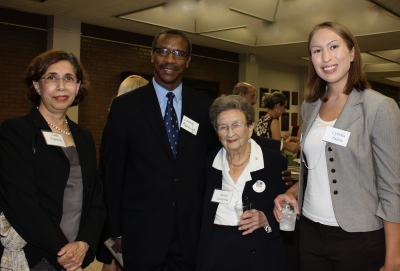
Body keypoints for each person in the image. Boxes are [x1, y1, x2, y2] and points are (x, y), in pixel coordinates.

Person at [105, 29, 291, 271]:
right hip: (143, 230)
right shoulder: (125, 108)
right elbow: (112, 173)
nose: (170, 59)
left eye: (179, 54)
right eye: (163, 51)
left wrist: (273, 164)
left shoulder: (203, 107)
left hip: (191, 232)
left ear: (188, 61)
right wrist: (116, 230)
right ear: (152, 56)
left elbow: (229, 140)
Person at [273, 22, 400, 271]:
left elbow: (392, 188)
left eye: (333, 46)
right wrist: (292, 192)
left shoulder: (378, 107)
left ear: (352, 53)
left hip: (358, 237)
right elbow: (318, 169)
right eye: (317, 50)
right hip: (309, 231)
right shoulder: (310, 107)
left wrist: (394, 259)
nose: (326, 57)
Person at [0, 50, 105, 270]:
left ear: (78, 87)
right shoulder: (17, 131)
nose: (61, 86)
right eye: (51, 77)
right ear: (37, 86)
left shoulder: (83, 136)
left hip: (76, 253)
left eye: (68, 78)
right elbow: (22, 204)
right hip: (37, 256)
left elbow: (95, 198)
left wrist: (84, 244)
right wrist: (64, 250)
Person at [197, 95, 290, 271]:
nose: (230, 133)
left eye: (236, 125)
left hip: (261, 253)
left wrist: (266, 219)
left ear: (250, 128)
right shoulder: (207, 163)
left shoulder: (274, 163)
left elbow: (289, 211)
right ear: (217, 132)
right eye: (223, 127)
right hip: (216, 252)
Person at [97, 75, 149, 271]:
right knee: (114, 257)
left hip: (116, 202)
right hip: (120, 205)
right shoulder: (122, 126)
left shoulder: (117, 123)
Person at [233, 83, 300, 154]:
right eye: (252, 97)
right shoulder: (274, 121)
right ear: (278, 106)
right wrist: (288, 142)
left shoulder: (261, 119)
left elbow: (261, 139)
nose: (255, 101)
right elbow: (277, 150)